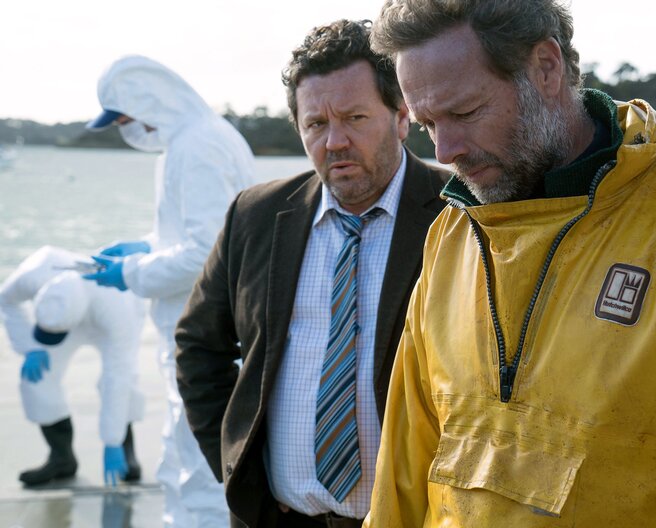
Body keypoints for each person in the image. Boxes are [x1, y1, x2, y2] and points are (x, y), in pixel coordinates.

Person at [364, 1, 656, 526]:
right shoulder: (452, 235)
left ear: (546, 68)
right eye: (427, 125)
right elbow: (404, 471)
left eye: (465, 112)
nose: (445, 150)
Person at [173, 19, 448, 528]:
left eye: (355, 118)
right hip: (278, 517)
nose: (335, 141)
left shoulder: (460, 213)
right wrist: (237, 469)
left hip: (415, 518)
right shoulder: (255, 216)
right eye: (316, 124)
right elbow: (199, 346)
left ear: (401, 116)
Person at [82, 55, 256, 527]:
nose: (127, 129)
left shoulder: (197, 146)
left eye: (124, 118)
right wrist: (147, 246)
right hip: (194, 337)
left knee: (200, 475)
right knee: (180, 462)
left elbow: (206, 252)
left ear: (148, 102)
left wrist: (132, 271)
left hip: (205, 338)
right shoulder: (193, 140)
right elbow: (195, 234)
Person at [0, 246, 145, 487]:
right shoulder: (35, 271)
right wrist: (29, 347)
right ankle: (62, 458)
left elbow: (116, 377)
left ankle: (124, 449)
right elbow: (5, 299)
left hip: (108, 321)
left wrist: (111, 440)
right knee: (37, 379)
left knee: (124, 381)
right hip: (68, 317)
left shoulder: (118, 310)